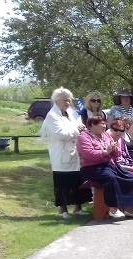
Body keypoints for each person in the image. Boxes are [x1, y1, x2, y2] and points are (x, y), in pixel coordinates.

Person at [77, 116, 133, 219]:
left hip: (108, 165)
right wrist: (106, 152)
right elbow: (88, 154)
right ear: (92, 125)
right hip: (92, 167)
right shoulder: (84, 136)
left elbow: (117, 153)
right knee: (111, 178)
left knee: (131, 178)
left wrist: (114, 149)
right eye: (101, 124)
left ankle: (130, 208)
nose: (104, 126)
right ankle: (113, 208)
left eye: (104, 123)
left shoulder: (105, 136)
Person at [40, 87, 88, 219]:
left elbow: (79, 124)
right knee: (63, 181)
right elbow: (61, 134)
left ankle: (78, 207)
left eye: (68, 100)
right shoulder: (52, 116)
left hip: (74, 151)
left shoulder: (72, 113)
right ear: (57, 101)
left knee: (76, 179)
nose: (67, 103)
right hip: (60, 152)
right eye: (64, 100)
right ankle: (63, 210)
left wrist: (80, 127)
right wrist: (77, 129)